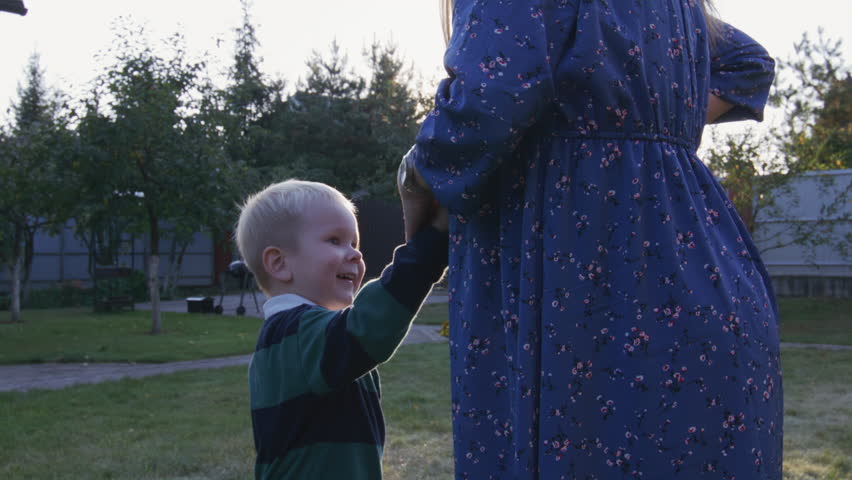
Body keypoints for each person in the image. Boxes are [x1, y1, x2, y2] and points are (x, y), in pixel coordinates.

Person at [399, 0, 782, 478]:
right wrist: (638, 114)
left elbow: (489, 98)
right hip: (706, 281)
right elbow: (748, 62)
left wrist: (415, 176)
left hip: (582, 297)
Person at [235, 179, 448, 480]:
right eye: (335, 240)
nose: (356, 255)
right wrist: (432, 245)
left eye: (354, 244)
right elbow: (371, 325)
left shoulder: (303, 337)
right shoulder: (292, 335)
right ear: (280, 263)